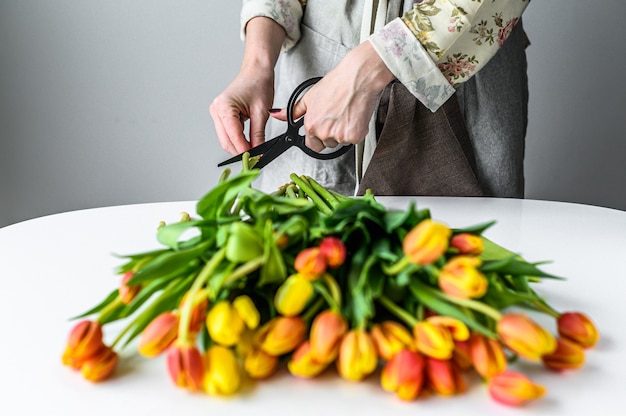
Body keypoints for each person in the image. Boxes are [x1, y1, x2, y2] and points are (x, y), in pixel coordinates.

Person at [211, 0, 530, 197]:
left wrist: (367, 69)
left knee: (466, 271)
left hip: (462, 57)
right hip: (321, 63)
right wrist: (256, 64)